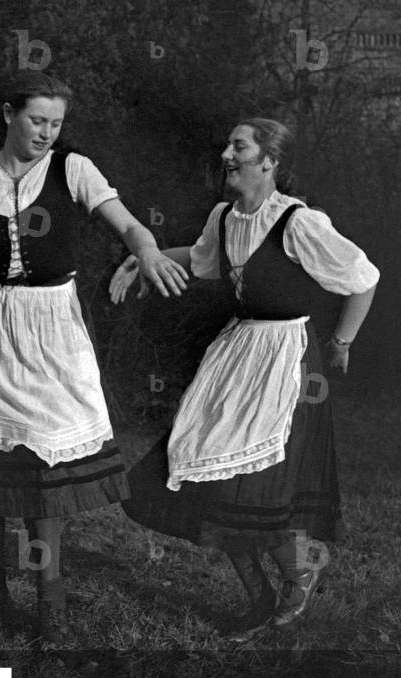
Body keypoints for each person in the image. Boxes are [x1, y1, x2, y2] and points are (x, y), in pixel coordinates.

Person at [0, 70, 188, 644]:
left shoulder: (72, 169)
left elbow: (130, 226)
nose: (47, 133)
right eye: (37, 120)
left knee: (48, 467)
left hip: (55, 327)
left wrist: (147, 253)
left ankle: (51, 604)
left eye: (56, 123)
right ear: (8, 115)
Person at [110, 118, 378, 638]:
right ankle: (257, 597)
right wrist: (143, 257)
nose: (227, 154)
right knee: (206, 472)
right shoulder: (225, 218)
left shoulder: (298, 223)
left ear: (269, 161)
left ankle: (301, 570)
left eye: (240, 146)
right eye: (228, 145)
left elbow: (363, 278)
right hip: (237, 356)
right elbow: (204, 260)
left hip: (286, 361)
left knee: (254, 487)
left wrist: (341, 343)